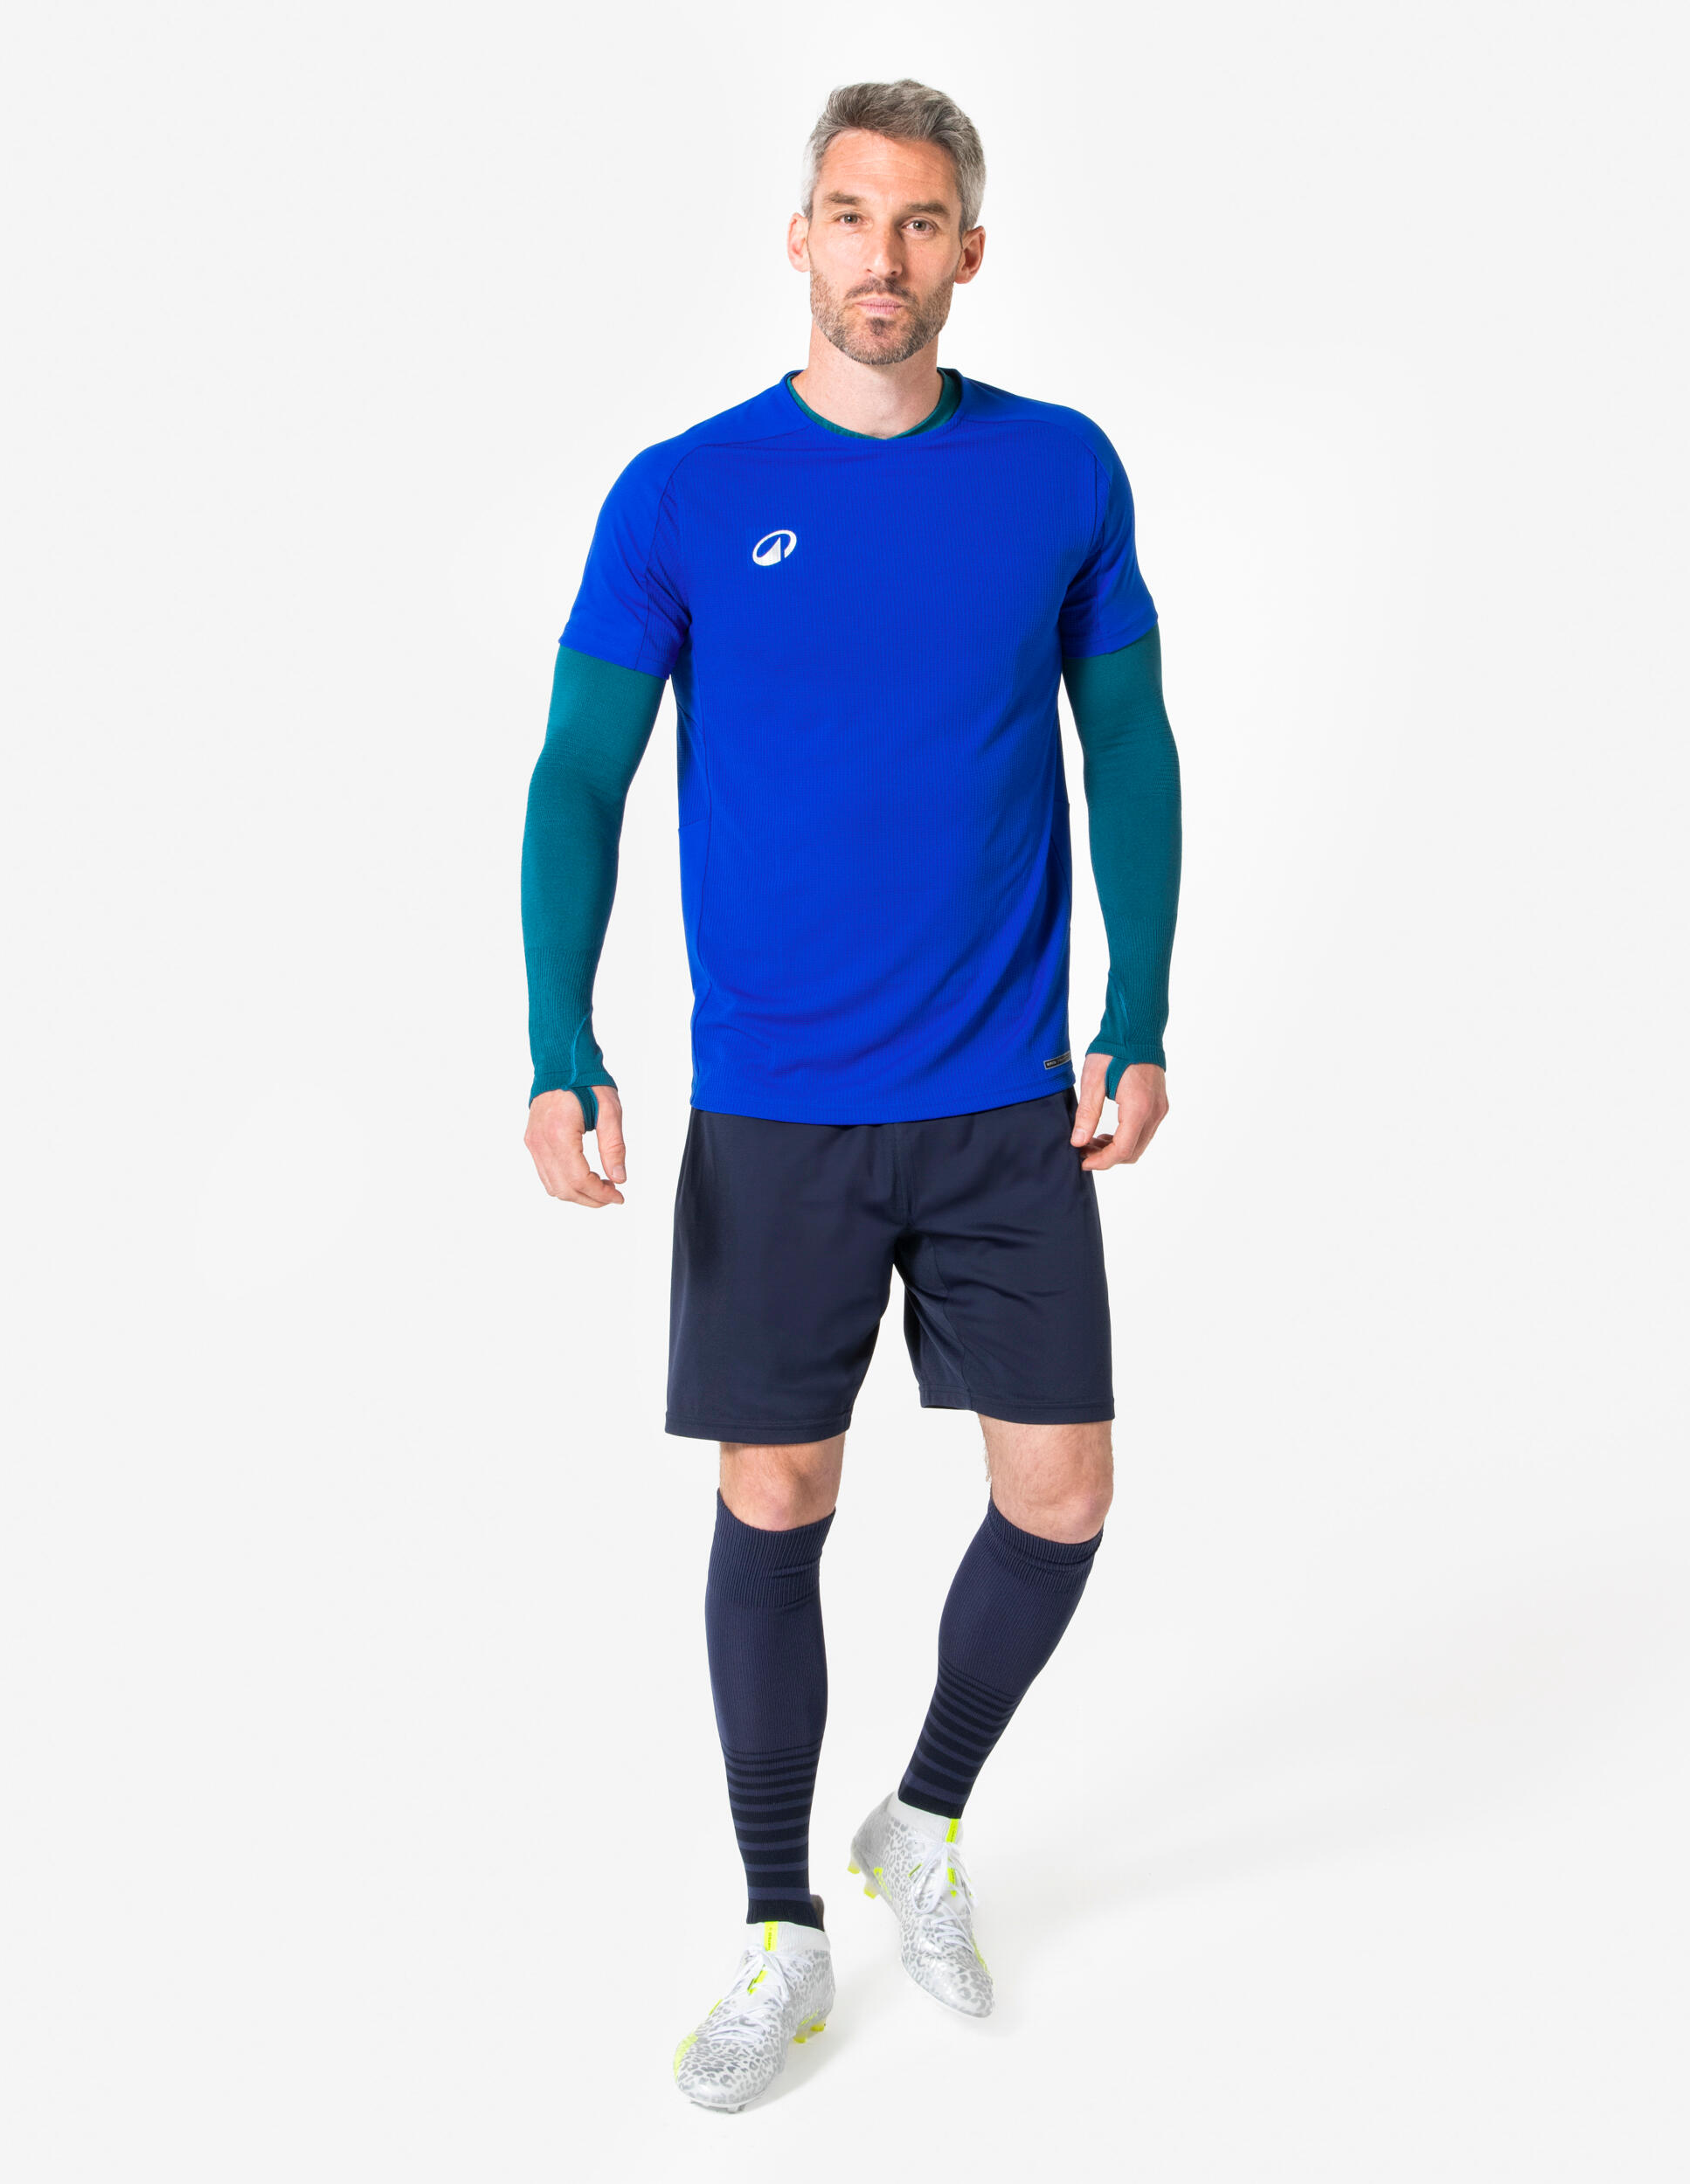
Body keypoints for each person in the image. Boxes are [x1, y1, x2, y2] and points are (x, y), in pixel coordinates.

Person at [519, 79, 1181, 2113]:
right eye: (844, 214)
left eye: (915, 222)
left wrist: (1137, 1003)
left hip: (1000, 1095)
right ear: (794, 237)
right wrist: (559, 1036)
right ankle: (777, 1925)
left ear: (966, 251)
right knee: (775, 1495)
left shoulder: (1057, 471)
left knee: (1060, 1493)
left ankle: (926, 1813)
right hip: (777, 1109)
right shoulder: (683, 492)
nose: (876, 255)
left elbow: (1130, 744)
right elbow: (578, 771)